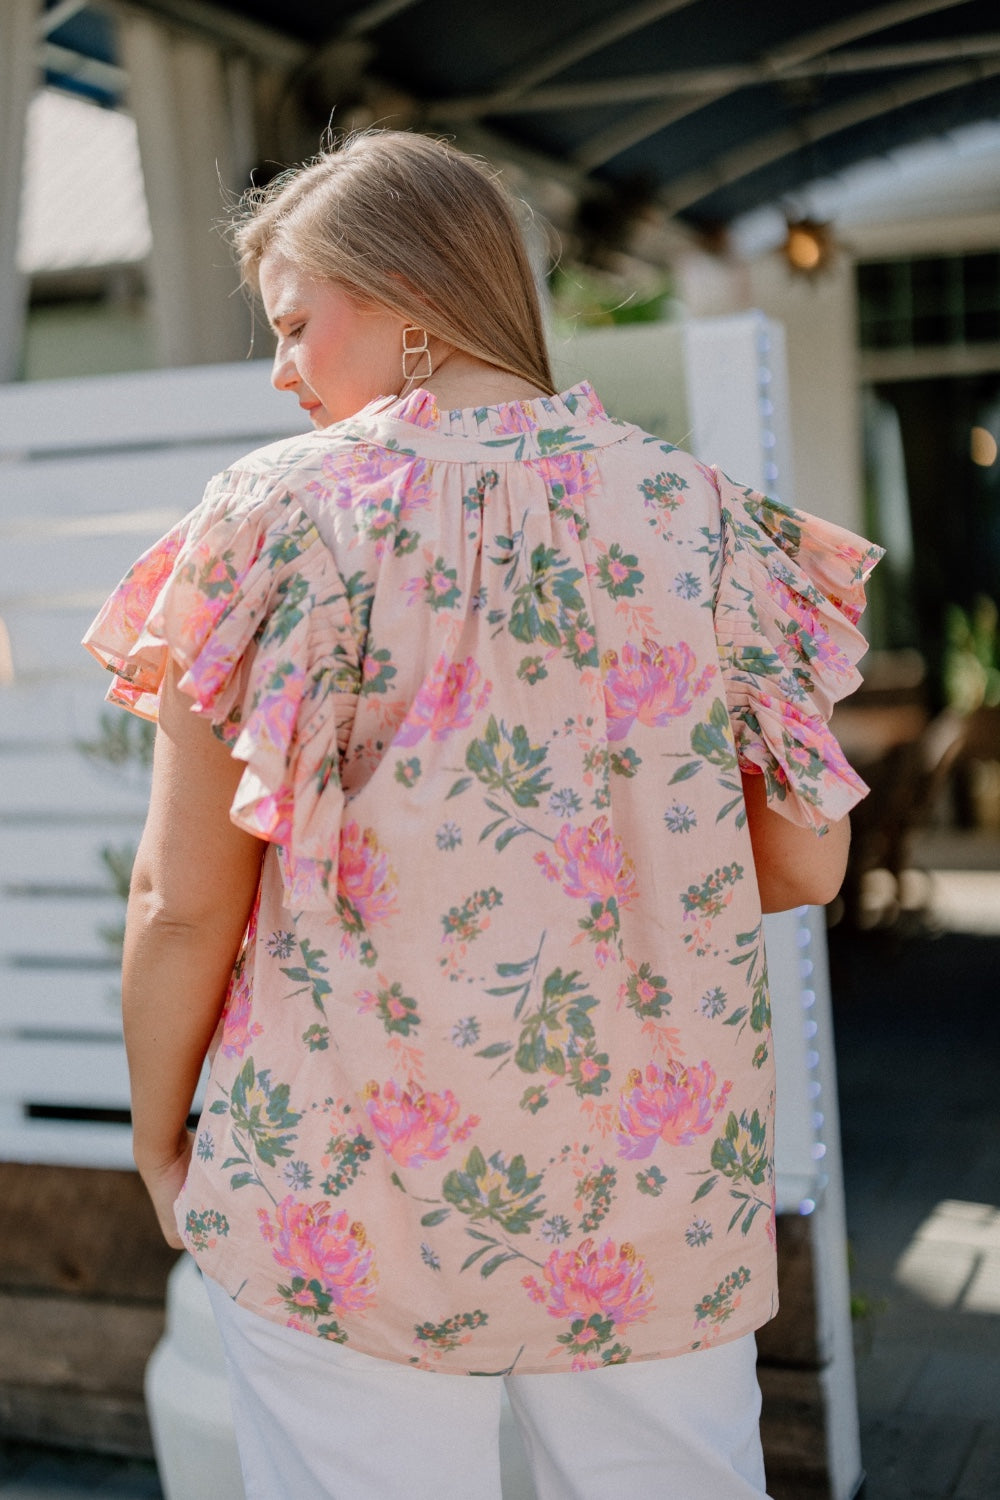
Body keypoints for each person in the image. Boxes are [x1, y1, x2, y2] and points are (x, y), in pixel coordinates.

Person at [84, 130, 881, 1500]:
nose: (280, 371)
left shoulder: (271, 521)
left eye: (293, 325)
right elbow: (808, 860)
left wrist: (159, 1139)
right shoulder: (700, 522)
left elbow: (182, 896)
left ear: (406, 300)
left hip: (339, 1186)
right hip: (651, 1191)